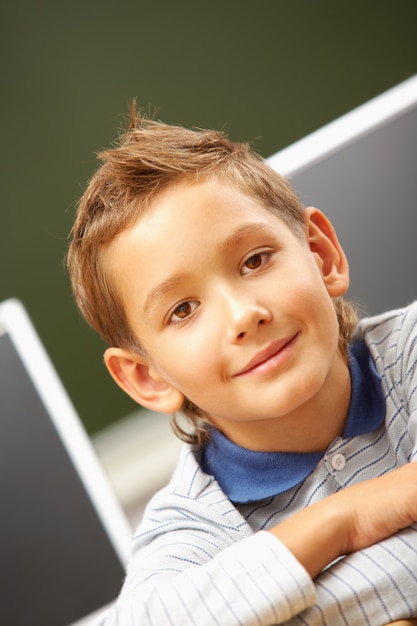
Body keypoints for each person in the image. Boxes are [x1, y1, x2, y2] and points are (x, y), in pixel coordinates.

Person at [67, 107, 417, 625]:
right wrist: (346, 519)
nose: (243, 317)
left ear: (322, 255)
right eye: (183, 310)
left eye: (255, 260)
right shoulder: (194, 524)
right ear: (147, 377)